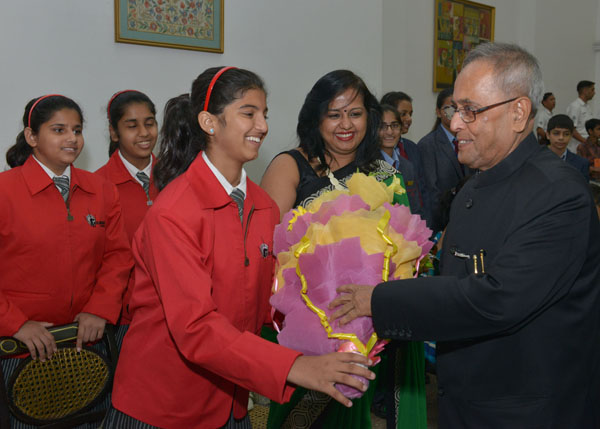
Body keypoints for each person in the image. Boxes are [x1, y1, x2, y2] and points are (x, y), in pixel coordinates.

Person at [330, 43, 600, 428]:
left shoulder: (559, 193)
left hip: (528, 410)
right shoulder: (473, 186)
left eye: (471, 110)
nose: (455, 123)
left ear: (519, 112)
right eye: (455, 109)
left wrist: (378, 301)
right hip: (465, 401)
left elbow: (496, 298)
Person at [103, 67, 374, 429]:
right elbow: (195, 327)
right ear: (209, 122)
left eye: (265, 114)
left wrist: (337, 329)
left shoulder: (262, 206)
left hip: (232, 399)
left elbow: (269, 303)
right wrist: (294, 366)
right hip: (165, 405)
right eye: (248, 113)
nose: (262, 126)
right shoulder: (173, 212)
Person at [261, 70, 425, 429]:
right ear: (315, 118)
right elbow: (266, 251)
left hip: (368, 323)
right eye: (334, 114)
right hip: (304, 324)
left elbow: (405, 250)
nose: (345, 125)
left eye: (355, 113)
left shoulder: (385, 175)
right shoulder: (292, 166)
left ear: (370, 116)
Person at [0, 95, 132, 428]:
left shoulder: (101, 190)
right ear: (32, 137)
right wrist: (15, 323)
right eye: (58, 130)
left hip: (85, 346)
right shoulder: (4, 191)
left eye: (76, 130)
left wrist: (100, 308)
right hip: (20, 350)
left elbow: (118, 256)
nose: (71, 138)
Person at [95, 90, 159, 329]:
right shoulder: (97, 186)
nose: (144, 133)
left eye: (149, 123)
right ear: (114, 132)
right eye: (132, 126)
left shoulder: (175, 178)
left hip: (175, 308)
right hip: (122, 317)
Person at [418, 87, 473, 233]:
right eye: (448, 109)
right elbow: (432, 192)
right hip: (442, 224)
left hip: (469, 218)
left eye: (458, 109)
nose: (454, 114)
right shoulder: (428, 145)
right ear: (438, 112)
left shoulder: (469, 139)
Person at [380, 91, 432, 226]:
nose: (390, 131)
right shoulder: (366, 165)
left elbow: (417, 203)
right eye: (383, 127)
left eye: (395, 126)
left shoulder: (407, 165)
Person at [546, 114, 590, 181]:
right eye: (556, 133)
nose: (561, 138)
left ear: (571, 136)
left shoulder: (581, 163)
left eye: (566, 134)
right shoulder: (535, 160)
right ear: (548, 135)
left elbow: (583, 190)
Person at [566, 80, 595, 152]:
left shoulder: (587, 107)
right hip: (577, 146)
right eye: (592, 90)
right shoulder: (575, 106)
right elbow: (571, 129)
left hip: (587, 145)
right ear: (585, 91)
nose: (594, 93)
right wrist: (586, 142)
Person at [577, 118, 600, 182]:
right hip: (590, 180)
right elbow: (580, 167)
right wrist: (594, 169)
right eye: (598, 129)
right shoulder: (582, 147)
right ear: (590, 131)